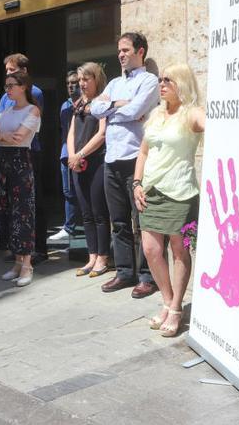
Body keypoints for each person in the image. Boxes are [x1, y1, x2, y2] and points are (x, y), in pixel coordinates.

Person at [132, 63, 205, 337]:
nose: (161, 84)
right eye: (161, 79)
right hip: (150, 191)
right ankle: (166, 299)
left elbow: (220, 127)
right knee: (151, 250)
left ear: (182, 84)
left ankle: (175, 307)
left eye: (168, 80)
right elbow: (143, 152)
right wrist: (137, 183)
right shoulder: (156, 114)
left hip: (181, 192)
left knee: (179, 251)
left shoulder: (192, 114)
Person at [90, 32, 160, 298]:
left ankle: (147, 276)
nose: (120, 55)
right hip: (111, 159)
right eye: (119, 50)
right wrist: (119, 104)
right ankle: (124, 272)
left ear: (140, 51)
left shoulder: (149, 80)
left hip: (135, 160)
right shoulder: (115, 84)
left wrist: (113, 109)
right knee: (118, 221)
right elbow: (94, 109)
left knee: (141, 221)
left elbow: (135, 111)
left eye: (126, 50)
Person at [0, 71, 41, 287]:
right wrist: (2, 137)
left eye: (11, 85)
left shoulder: (33, 110)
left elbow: (19, 137)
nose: (8, 90)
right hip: (3, 163)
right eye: (6, 86)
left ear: (23, 87)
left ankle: (28, 264)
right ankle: (17, 262)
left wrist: (1, 137)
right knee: (7, 210)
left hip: (20, 161)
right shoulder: (7, 110)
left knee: (23, 211)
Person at [0, 54, 48, 262]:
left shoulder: (35, 92)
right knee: (10, 203)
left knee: (32, 202)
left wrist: (2, 136)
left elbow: (23, 132)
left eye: (12, 70)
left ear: (24, 72)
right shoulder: (4, 96)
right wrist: (1, 136)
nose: (8, 75)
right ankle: (17, 248)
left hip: (28, 153)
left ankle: (39, 249)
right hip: (6, 156)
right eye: (7, 71)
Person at [67, 63, 110, 277]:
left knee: (99, 212)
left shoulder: (102, 102)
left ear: (96, 79)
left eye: (86, 79)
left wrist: (80, 154)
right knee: (85, 214)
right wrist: (72, 155)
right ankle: (91, 256)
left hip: (96, 163)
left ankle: (103, 257)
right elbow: (72, 132)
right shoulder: (78, 103)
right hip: (78, 163)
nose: (82, 84)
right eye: (80, 80)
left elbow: (102, 134)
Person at [50, 70, 81, 242]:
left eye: (74, 82)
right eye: (68, 83)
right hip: (66, 153)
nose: (71, 86)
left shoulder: (87, 104)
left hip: (84, 153)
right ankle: (69, 227)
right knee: (68, 191)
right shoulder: (65, 106)